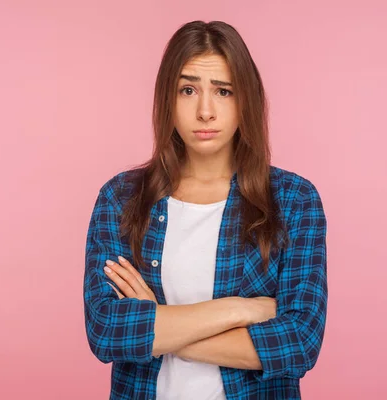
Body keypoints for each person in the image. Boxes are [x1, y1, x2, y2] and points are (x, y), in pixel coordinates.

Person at [83, 20, 327, 400]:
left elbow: (298, 342)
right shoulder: (122, 199)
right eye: (188, 89)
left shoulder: (293, 200)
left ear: (246, 98)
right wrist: (240, 310)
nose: (205, 111)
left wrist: (157, 325)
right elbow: (106, 331)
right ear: (167, 98)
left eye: (223, 91)